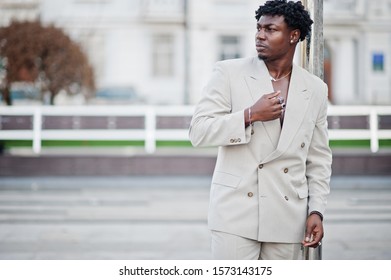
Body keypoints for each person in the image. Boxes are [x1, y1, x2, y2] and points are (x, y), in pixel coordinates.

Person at [189, 0, 332, 260]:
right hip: (235, 214)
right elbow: (198, 131)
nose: (260, 35)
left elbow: (319, 157)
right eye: (258, 28)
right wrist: (250, 114)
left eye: (270, 29)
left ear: (293, 36)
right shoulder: (228, 73)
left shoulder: (315, 89)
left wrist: (317, 210)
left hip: (288, 215)